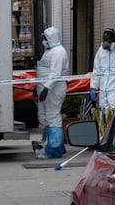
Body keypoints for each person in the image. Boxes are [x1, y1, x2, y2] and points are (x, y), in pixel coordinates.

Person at [32, 27, 69, 159]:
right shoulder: (50, 51)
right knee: (45, 117)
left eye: (45, 38)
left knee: (53, 117)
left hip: (53, 90)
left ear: (50, 38)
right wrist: (38, 88)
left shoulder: (58, 52)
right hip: (46, 89)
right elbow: (44, 70)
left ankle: (53, 150)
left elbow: (55, 73)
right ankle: (56, 147)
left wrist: (46, 89)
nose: (43, 41)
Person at [90, 28, 115, 135]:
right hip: (103, 90)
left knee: (113, 112)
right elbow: (96, 69)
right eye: (103, 39)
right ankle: (103, 136)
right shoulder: (101, 51)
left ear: (113, 39)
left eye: (107, 39)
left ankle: (113, 136)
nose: (104, 42)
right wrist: (94, 86)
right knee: (102, 113)